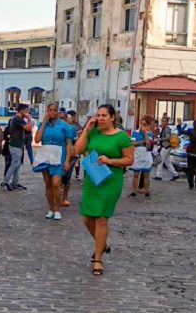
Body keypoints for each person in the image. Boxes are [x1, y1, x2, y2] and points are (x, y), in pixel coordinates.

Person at [73, 104, 134, 276]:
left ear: (113, 117)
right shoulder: (93, 133)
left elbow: (129, 160)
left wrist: (110, 160)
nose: (100, 118)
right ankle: (102, 243)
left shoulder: (122, 137)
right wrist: (86, 130)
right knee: (87, 219)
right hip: (93, 179)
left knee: (101, 219)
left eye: (104, 115)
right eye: (98, 115)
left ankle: (98, 258)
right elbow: (77, 150)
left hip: (110, 180)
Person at [34, 103, 74, 220]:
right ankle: (51, 208)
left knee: (56, 183)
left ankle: (57, 209)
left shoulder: (64, 125)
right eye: (50, 110)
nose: (52, 112)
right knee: (48, 184)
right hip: (45, 154)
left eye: (54, 110)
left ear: (58, 112)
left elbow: (68, 144)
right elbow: (37, 139)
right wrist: (44, 123)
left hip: (59, 155)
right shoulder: (43, 124)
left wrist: (67, 160)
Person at [4, 103, 33, 191]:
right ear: (21, 110)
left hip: (17, 144)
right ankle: (5, 181)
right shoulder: (17, 119)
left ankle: (15, 182)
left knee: (17, 165)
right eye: (26, 110)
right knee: (15, 164)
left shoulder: (17, 118)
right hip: (15, 144)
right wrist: (29, 118)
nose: (27, 112)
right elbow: (28, 128)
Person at [129, 116, 154, 198]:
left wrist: (145, 133)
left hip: (146, 155)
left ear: (147, 125)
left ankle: (147, 192)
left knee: (146, 174)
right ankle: (134, 191)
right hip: (137, 155)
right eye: (141, 123)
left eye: (144, 124)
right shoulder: (135, 132)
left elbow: (148, 143)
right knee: (136, 174)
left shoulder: (149, 133)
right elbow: (133, 143)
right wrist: (143, 142)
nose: (142, 125)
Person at [61, 110, 82, 205]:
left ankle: (64, 197)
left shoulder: (72, 128)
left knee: (67, 178)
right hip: (58, 155)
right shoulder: (55, 128)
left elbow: (76, 142)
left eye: (64, 119)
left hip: (70, 156)